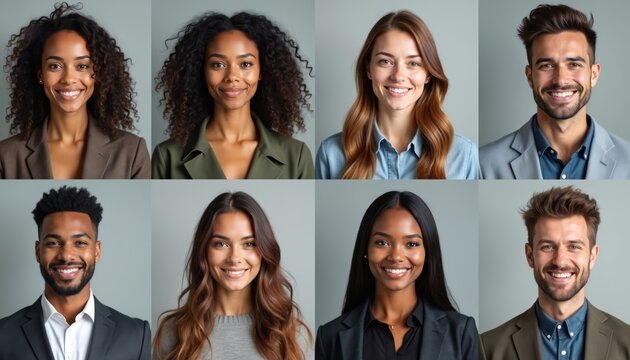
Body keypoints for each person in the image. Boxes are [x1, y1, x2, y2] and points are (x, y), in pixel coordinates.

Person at [316, 11, 479, 180]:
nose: (398, 76)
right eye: (385, 61)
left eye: (413, 63)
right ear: (368, 69)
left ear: (428, 74)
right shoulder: (331, 154)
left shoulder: (464, 156)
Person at [316, 191, 478, 359]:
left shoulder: (461, 333)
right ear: (365, 249)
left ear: (427, 252)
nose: (396, 256)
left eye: (411, 244)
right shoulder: (329, 337)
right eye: (382, 242)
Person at [152, 12, 314, 179]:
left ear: (261, 71)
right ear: (201, 71)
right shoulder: (167, 156)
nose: (232, 76)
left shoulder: (296, 156)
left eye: (245, 64)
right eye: (218, 64)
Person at [153, 192, 312, 359]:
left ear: (265, 251)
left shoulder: (290, 332)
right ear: (204, 251)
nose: (234, 258)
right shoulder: (174, 331)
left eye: (249, 244)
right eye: (221, 244)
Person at [0, 3, 150, 179]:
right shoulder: (6, 155)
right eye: (55, 66)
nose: (68, 78)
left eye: (82, 66)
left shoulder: (131, 151)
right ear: (40, 74)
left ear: (98, 73)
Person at [480, 4, 630, 179]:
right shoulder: (484, 164)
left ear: (594, 74)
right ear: (530, 76)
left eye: (574, 64)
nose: (560, 80)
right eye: (547, 65)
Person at [0, 186, 151, 359]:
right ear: (37, 251)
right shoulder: (3, 336)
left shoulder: (137, 336)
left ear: (97, 251)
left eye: (80, 243)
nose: (66, 255)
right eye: (53, 243)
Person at [480, 186, 630, 359]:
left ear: (592, 256)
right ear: (530, 255)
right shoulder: (488, 348)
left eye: (574, 246)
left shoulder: (627, 342)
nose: (560, 261)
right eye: (547, 246)